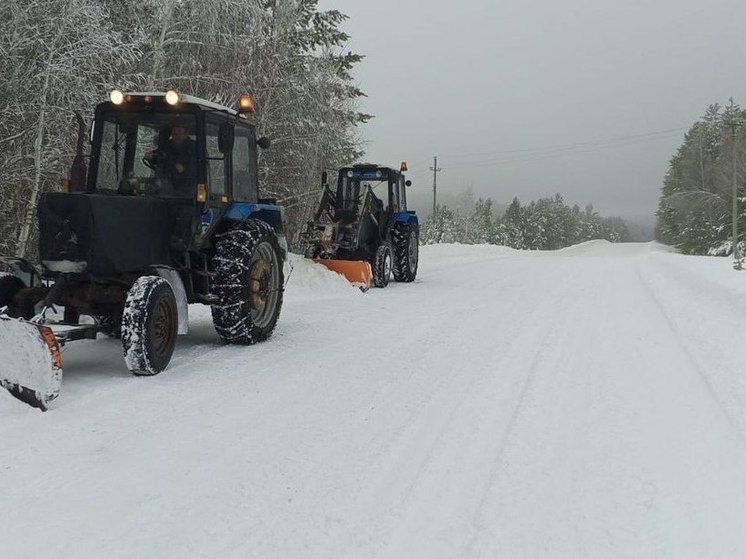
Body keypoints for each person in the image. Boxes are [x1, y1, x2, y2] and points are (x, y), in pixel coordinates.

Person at [145, 122, 196, 195]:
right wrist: (151, 156)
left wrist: (181, 169)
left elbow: (191, 170)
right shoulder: (167, 145)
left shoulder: (194, 148)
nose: (175, 132)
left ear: (186, 133)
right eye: (174, 130)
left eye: (179, 130)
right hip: (164, 187)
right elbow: (158, 155)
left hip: (187, 193)